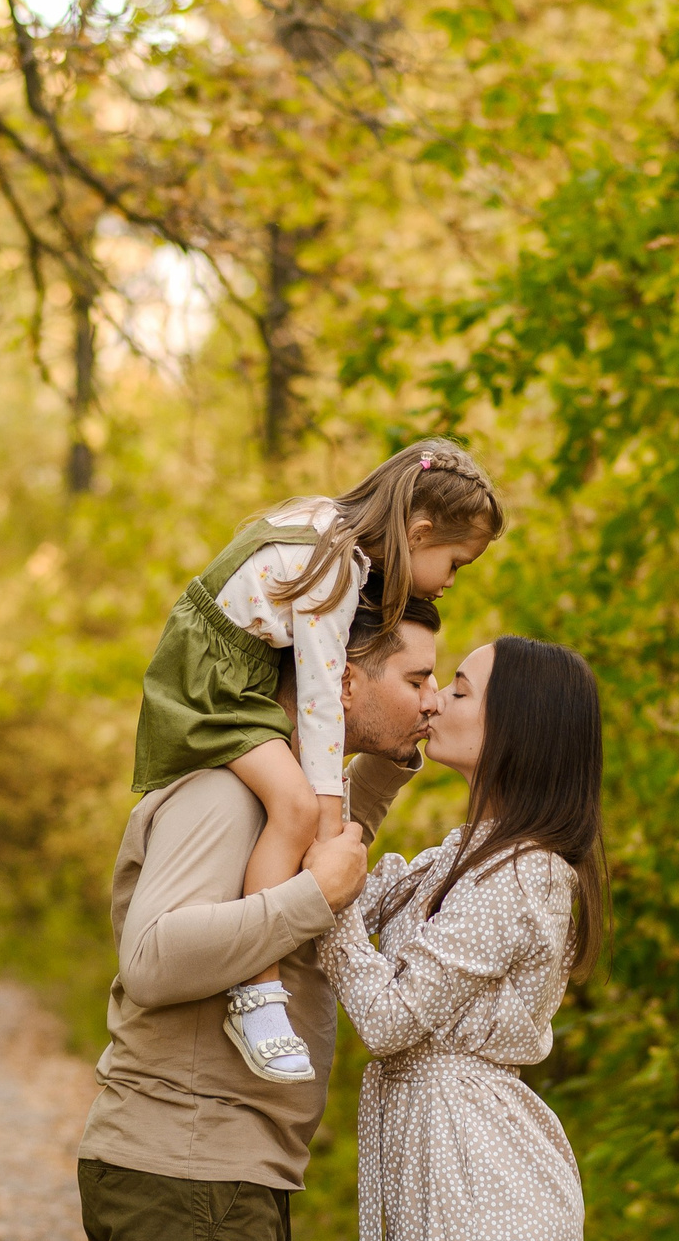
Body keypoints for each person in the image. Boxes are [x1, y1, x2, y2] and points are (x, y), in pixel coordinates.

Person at [79, 595, 445, 1241]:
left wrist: (385, 770)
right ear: (339, 681)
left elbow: (325, 855)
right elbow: (155, 957)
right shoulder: (225, 795)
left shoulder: (287, 798)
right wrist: (307, 898)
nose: (431, 700)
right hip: (189, 1168)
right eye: (415, 680)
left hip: (201, 1166)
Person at [321, 638, 679, 1241]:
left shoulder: (524, 873)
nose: (436, 699)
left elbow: (391, 1015)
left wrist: (324, 906)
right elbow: (356, 895)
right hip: (459, 1164)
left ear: (515, 726)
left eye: (459, 687)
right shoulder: (466, 857)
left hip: (484, 1177)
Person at [130, 440, 501, 1085]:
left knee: (304, 810)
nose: (448, 581)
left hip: (220, 673)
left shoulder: (329, 531)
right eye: (455, 564)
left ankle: (261, 987)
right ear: (416, 532)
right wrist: (326, 818)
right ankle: (257, 994)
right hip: (216, 687)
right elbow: (323, 705)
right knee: (300, 807)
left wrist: (367, 786)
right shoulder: (335, 573)